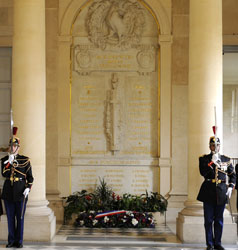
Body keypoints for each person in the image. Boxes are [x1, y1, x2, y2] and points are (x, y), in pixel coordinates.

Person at [197, 136, 236, 250]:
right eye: (213, 145)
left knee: (219, 220)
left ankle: (217, 243)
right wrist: (211, 162)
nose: (215, 147)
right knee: (208, 220)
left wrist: (231, 186)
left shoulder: (226, 159)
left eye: (217, 145)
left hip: (221, 192)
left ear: (220, 146)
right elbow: (203, 173)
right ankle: (209, 244)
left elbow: (233, 175)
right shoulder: (204, 159)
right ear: (209, 146)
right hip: (208, 191)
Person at [1, 130, 34, 248]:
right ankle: (11, 241)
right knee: (10, 218)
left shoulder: (25, 160)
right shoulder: (5, 160)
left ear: (18, 147)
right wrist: (8, 163)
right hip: (8, 193)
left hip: (21, 192)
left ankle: (19, 241)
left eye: (15, 146)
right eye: (11, 146)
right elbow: (4, 174)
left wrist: (28, 189)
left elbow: (30, 177)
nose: (12, 148)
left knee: (20, 218)